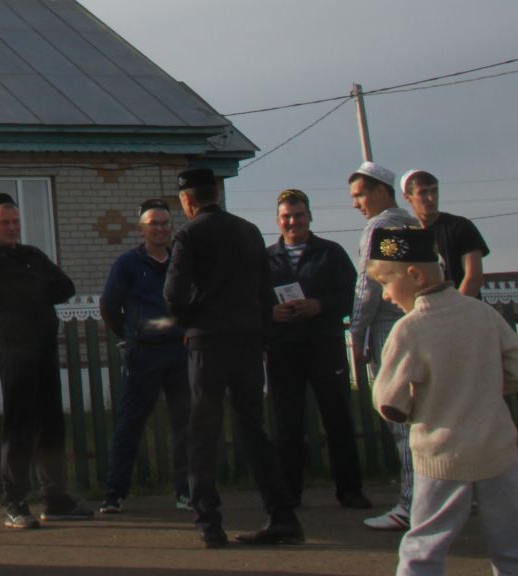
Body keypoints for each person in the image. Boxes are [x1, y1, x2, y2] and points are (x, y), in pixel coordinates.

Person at [367, 226, 518, 576]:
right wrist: (488, 386)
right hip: (496, 448)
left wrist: (415, 408)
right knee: (515, 545)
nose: (386, 295)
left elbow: (390, 400)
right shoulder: (482, 313)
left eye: (386, 283)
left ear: (414, 276)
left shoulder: (410, 329)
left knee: (425, 546)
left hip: (441, 455)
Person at [164, 166, 301, 548]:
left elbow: (173, 294)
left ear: (188, 201)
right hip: (248, 340)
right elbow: (265, 292)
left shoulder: (188, 234)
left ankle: (209, 523)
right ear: (217, 194)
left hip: (208, 343)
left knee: (203, 432)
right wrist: (260, 334)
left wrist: (191, 321)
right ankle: (283, 516)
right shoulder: (248, 231)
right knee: (253, 429)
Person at [0, 193, 90, 530]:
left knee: (51, 426)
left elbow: (65, 286)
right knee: (19, 430)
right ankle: (15, 502)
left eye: (14, 223)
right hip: (16, 353)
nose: (11, 228)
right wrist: (38, 287)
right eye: (3, 223)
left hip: (45, 352)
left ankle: (55, 498)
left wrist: (34, 286)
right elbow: (18, 296)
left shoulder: (32, 255)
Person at [264, 188, 371, 511]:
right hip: (283, 349)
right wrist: (272, 312)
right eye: (286, 217)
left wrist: (319, 306)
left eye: (298, 215)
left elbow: (351, 295)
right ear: (278, 220)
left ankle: (349, 490)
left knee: (337, 418)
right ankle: (289, 492)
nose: (292, 221)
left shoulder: (331, 253)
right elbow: (255, 299)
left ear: (309, 216)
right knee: (287, 423)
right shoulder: (267, 258)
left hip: (324, 346)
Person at [96, 199, 189, 515]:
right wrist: (130, 334)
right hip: (143, 355)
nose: (161, 229)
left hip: (180, 351)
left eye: (165, 223)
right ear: (141, 229)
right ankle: (115, 493)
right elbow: (109, 306)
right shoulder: (128, 264)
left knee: (185, 423)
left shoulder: (182, 261)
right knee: (130, 423)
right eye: (154, 224)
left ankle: (187, 491)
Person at [350, 160, 417, 531]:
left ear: (379, 191)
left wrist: (357, 332)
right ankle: (449, 496)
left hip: (389, 331)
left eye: (360, 195)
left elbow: (371, 283)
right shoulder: (410, 223)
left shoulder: (379, 228)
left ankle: (411, 503)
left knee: (400, 417)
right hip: (420, 324)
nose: (356, 204)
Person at [400, 171, 488, 299]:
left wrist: (453, 310)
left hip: (464, 311)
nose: (431, 198)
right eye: (423, 193)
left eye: (434, 191)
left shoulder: (460, 226)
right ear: (408, 197)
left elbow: (474, 277)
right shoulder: (407, 236)